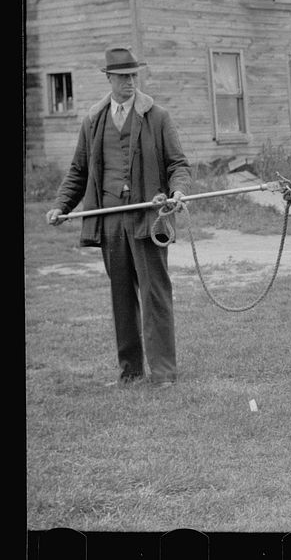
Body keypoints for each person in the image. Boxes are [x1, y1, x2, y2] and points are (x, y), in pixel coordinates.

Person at [46, 47, 191, 388]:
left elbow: (178, 165)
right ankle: (130, 371)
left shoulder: (157, 116)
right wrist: (61, 206)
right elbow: (78, 171)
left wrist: (179, 190)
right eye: (123, 76)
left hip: (148, 218)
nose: (129, 82)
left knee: (155, 294)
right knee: (121, 297)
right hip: (111, 220)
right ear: (109, 78)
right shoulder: (93, 120)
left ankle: (164, 373)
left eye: (133, 75)